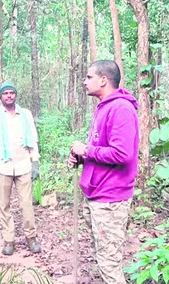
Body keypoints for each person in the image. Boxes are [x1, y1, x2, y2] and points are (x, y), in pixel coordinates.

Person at [68, 60, 139, 284]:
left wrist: (87, 150)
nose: (84, 81)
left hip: (110, 197)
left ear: (103, 80)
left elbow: (123, 154)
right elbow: (103, 147)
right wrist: (82, 157)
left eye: (88, 77)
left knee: (109, 263)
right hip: (98, 193)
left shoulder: (120, 109)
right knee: (103, 257)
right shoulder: (105, 107)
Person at [0, 81, 41, 256]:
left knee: (26, 204)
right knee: (4, 204)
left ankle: (31, 237)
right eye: (5, 93)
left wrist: (35, 162)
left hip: (24, 165)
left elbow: (34, 138)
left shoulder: (26, 114)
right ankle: (9, 240)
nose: (9, 96)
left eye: (11, 93)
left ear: (15, 95)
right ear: (0, 97)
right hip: (2, 166)